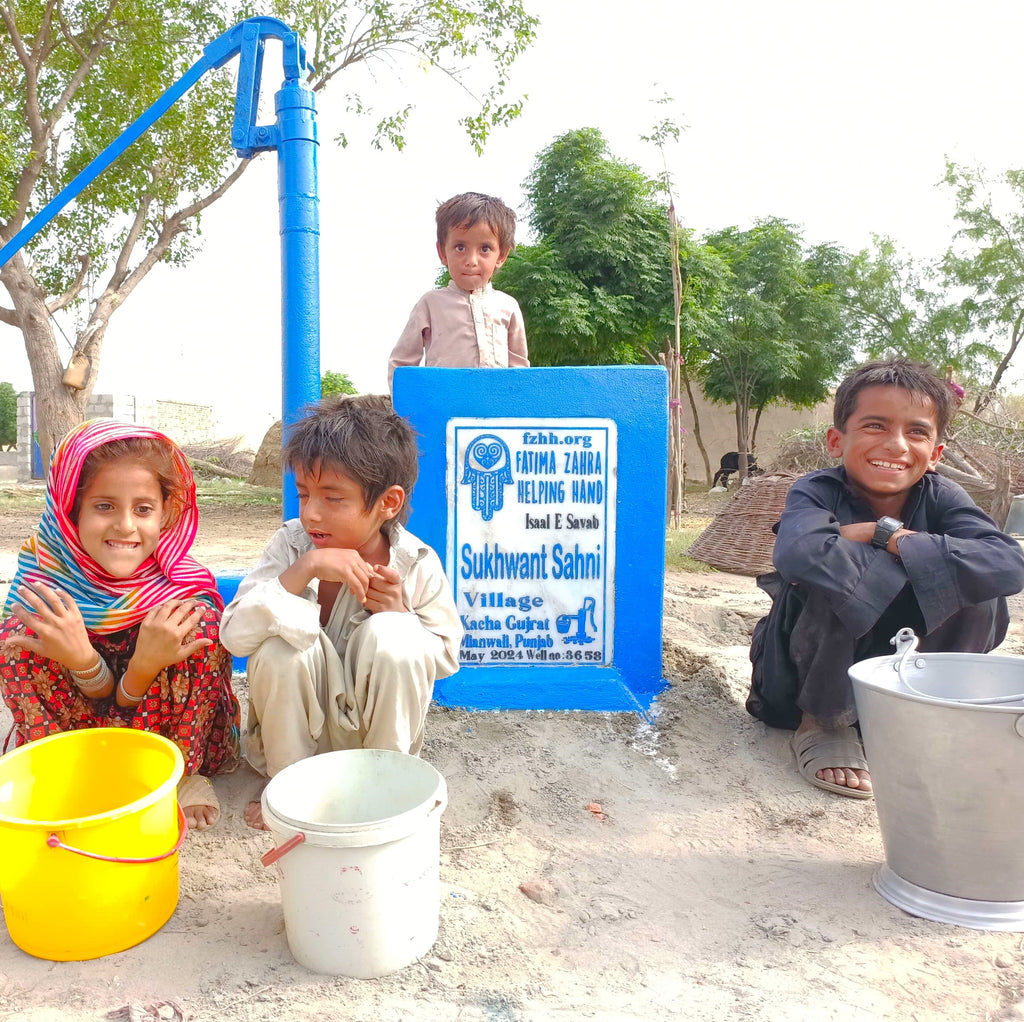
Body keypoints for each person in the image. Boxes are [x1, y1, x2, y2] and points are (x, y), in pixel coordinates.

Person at [747, 358, 1024, 798]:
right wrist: (912, 557)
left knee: (979, 589)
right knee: (838, 571)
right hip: (803, 675)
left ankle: (928, 711)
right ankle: (825, 724)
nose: (896, 445)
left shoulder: (943, 496)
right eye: (875, 426)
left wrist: (886, 536)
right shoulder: (816, 490)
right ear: (837, 441)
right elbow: (799, 554)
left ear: (934, 455)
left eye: (916, 432)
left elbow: (1007, 564)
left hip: (902, 668)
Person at [220, 394, 462, 829]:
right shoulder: (292, 546)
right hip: (294, 738)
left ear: (387, 503)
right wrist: (303, 570)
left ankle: (385, 792)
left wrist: (401, 614)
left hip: (372, 742)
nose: (311, 512)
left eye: (333, 498)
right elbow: (235, 637)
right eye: (304, 494)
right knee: (280, 647)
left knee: (397, 637)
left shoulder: (414, 563)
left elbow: (444, 658)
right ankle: (288, 791)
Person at [0, 420, 240, 830]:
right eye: (104, 506)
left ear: (165, 515)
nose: (126, 525)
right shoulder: (46, 584)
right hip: (76, 736)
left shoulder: (180, 585)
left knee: (199, 627)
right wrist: (82, 660)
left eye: (143, 509)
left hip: (171, 736)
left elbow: (187, 648)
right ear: (69, 510)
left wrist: (145, 666)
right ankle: (71, 773)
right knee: (17, 639)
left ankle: (181, 773)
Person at [387, 191, 529, 392]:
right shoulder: (430, 304)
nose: (471, 260)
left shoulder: (508, 306)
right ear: (442, 252)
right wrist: (408, 411)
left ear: (502, 255)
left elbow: (520, 370)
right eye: (460, 247)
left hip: (495, 409)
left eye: (485, 249)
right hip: (442, 408)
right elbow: (400, 364)